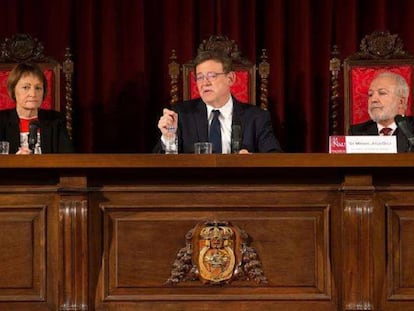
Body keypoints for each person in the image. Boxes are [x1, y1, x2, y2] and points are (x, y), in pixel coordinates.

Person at [154, 50, 282, 153]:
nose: (205, 83)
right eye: (200, 77)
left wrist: (251, 162)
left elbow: (274, 158)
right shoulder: (180, 115)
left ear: (230, 78)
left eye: (211, 76)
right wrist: (169, 138)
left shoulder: (256, 117)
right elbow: (159, 166)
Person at [0, 62, 73, 154]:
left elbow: (67, 159)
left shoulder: (56, 121)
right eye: (26, 87)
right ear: (13, 90)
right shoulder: (1, 120)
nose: (33, 94)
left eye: (38, 88)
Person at [348, 71, 414, 152]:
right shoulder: (357, 132)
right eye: (370, 94)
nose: (373, 100)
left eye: (382, 93)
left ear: (401, 102)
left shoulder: (410, 131)